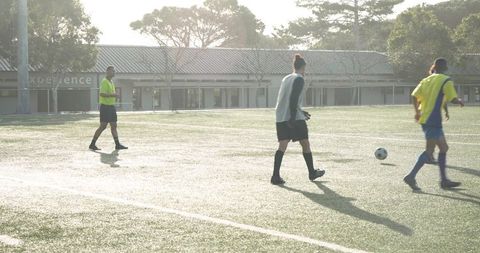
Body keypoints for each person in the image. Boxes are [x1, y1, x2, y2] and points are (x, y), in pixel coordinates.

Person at [404, 58, 464, 190]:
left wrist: (417, 112)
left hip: (426, 118)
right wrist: (459, 100)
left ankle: (444, 180)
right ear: (445, 68)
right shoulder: (445, 80)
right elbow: (451, 98)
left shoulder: (426, 80)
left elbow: (415, 95)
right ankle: (411, 176)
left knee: (443, 148)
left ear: (434, 67)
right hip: (433, 120)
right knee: (430, 152)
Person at [271, 54, 325, 185]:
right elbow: (293, 98)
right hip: (292, 117)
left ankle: (275, 176)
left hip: (281, 116)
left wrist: (301, 111)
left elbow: (288, 99)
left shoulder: (286, 78)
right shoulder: (300, 79)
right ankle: (312, 172)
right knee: (305, 143)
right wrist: (294, 117)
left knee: (282, 145)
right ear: (304, 67)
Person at [89, 66, 128, 151]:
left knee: (114, 125)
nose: (114, 73)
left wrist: (115, 95)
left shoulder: (111, 82)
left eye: (114, 71)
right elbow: (102, 94)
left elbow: (110, 93)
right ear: (107, 72)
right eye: (112, 71)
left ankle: (117, 145)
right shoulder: (104, 81)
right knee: (103, 126)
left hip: (111, 107)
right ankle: (92, 144)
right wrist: (113, 95)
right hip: (105, 107)